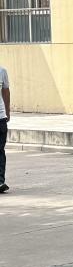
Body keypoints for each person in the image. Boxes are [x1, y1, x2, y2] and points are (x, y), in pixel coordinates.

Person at [0, 62, 9, 193]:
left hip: (0, 118)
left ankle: (0, 181)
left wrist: (8, 111)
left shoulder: (2, 71)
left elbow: (6, 92)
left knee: (0, 150)